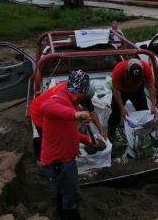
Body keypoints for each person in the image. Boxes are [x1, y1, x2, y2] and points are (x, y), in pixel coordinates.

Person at [39, 70, 103, 220]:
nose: (85, 102)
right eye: (86, 97)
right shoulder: (60, 99)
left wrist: (89, 140)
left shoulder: (70, 100)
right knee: (72, 199)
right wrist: (75, 115)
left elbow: (68, 131)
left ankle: (61, 212)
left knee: (63, 191)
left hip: (62, 159)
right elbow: (45, 107)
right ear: (81, 92)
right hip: (60, 162)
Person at [30, 81, 107, 161]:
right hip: (39, 112)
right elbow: (68, 131)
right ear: (81, 94)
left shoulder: (77, 88)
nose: (84, 103)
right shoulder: (67, 103)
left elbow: (91, 111)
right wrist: (77, 146)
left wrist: (101, 130)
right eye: (83, 100)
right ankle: (44, 160)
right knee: (51, 138)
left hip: (51, 105)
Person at [107, 58, 156, 143]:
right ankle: (110, 138)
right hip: (121, 91)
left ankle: (148, 137)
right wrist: (122, 108)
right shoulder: (118, 70)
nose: (132, 81)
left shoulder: (146, 68)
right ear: (127, 72)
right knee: (115, 115)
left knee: (144, 112)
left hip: (137, 91)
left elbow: (151, 86)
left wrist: (153, 104)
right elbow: (116, 90)